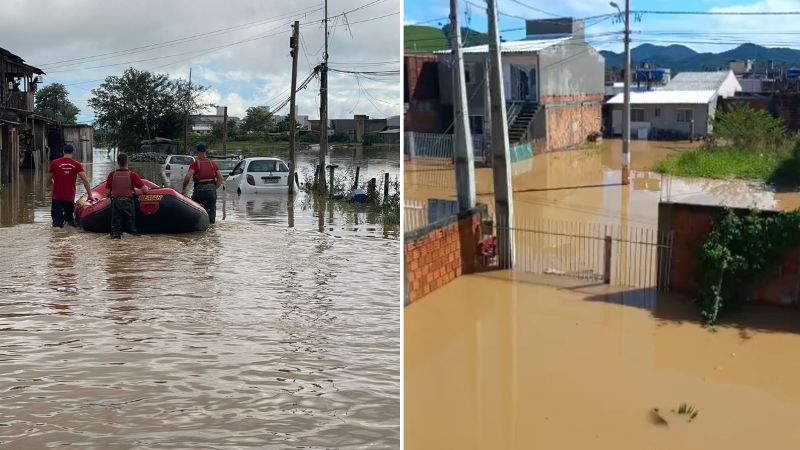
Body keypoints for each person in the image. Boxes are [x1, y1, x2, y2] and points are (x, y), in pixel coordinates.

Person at [105, 152, 149, 239]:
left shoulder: (111, 175)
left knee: (115, 229)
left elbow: (107, 193)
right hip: (128, 203)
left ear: (117, 162)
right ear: (127, 162)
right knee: (130, 228)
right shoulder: (132, 175)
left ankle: (115, 239)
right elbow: (145, 190)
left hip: (116, 203)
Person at [48, 144, 93, 228]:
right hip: (69, 198)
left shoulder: (54, 163)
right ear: (73, 152)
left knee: (56, 224)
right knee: (69, 222)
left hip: (57, 197)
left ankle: (57, 238)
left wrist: (54, 185)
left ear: (63, 152)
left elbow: (48, 179)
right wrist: (90, 195)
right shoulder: (77, 164)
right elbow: (85, 180)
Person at [181, 144, 223, 224]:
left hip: (199, 193)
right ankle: (211, 229)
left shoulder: (195, 164)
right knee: (211, 213)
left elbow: (188, 176)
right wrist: (214, 188)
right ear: (205, 152)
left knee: (195, 211)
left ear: (197, 152)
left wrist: (183, 189)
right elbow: (220, 178)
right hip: (211, 193)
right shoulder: (212, 163)